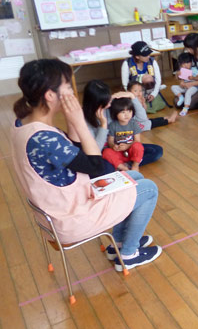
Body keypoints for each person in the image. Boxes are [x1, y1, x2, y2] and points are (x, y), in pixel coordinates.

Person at [11, 59, 162, 271]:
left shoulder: (24, 123)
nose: (72, 92)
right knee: (149, 189)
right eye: (66, 86)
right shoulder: (45, 139)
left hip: (62, 206)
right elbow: (96, 165)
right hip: (72, 217)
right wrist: (80, 122)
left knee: (135, 178)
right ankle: (128, 253)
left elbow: (74, 152)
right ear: (50, 95)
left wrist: (72, 120)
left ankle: (117, 243)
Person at [82, 80, 163, 172]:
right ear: (96, 102)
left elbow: (142, 119)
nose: (109, 103)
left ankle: (122, 165)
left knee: (156, 151)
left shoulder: (111, 106)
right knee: (104, 166)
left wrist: (132, 97)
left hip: (126, 145)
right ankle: (123, 164)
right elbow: (96, 150)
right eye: (106, 101)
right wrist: (103, 125)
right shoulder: (84, 118)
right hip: (107, 151)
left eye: (109, 98)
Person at [102, 98, 144, 172]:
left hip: (131, 152)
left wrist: (127, 146)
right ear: (115, 113)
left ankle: (135, 166)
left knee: (138, 146)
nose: (127, 115)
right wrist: (114, 146)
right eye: (123, 112)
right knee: (106, 152)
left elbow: (137, 140)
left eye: (129, 111)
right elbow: (110, 141)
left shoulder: (134, 124)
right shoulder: (113, 125)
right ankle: (124, 168)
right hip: (119, 152)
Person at [171, 52, 198, 116]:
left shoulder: (193, 69)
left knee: (188, 93)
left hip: (194, 86)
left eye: (187, 63)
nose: (185, 65)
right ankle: (181, 97)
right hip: (185, 86)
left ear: (191, 62)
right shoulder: (182, 70)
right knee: (173, 87)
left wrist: (193, 77)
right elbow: (179, 79)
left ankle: (185, 109)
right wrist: (179, 77)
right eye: (183, 63)